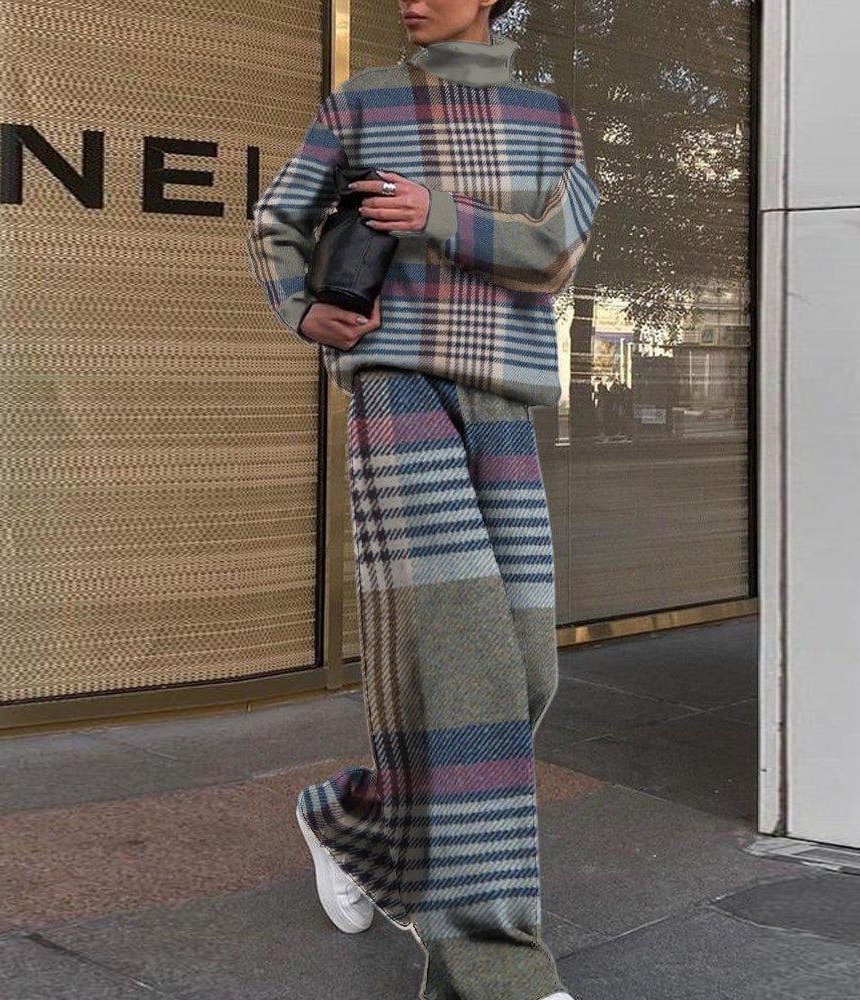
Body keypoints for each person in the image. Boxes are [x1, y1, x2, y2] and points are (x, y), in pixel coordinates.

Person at [247, 2, 601, 998]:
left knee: (524, 671)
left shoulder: (547, 115)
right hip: (396, 387)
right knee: (462, 668)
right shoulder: (360, 101)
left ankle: (354, 819)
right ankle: (496, 971)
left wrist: (438, 213)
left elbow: (557, 252)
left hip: (503, 395)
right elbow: (278, 220)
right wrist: (299, 307)